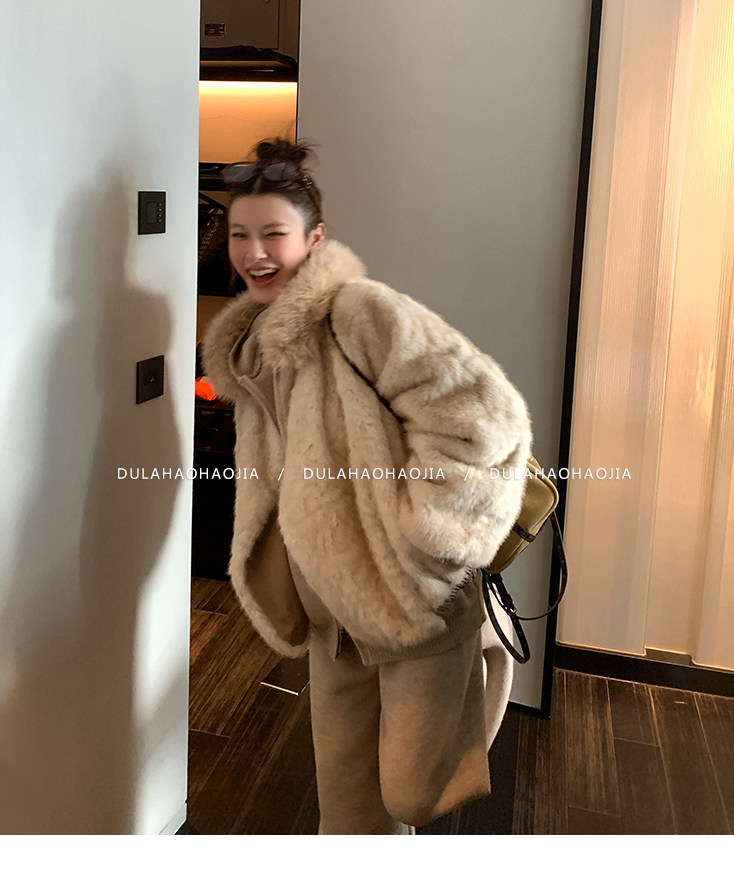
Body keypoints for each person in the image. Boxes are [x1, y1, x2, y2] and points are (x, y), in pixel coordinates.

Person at [200, 137, 532, 835]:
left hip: (411, 604)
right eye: (239, 235)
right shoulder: (254, 345)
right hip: (332, 616)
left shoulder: (361, 312)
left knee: (412, 794)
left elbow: (488, 416)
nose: (254, 253)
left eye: (274, 234)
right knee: (349, 807)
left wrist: (426, 544)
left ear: (314, 239)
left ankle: (478, 647)